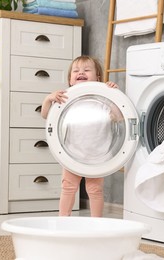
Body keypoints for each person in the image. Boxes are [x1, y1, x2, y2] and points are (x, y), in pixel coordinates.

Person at [41, 55, 119, 217]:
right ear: (70, 80)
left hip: (98, 155)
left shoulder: (103, 101)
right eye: (76, 71)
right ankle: (63, 221)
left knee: (95, 190)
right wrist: (49, 99)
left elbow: (119, 116)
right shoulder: (67, 101)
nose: (81, 72)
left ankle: (96, 223)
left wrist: (114, 95)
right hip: (72, 153)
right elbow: (47, 115)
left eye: (87, 70)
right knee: (68, 188)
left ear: (98, 77)